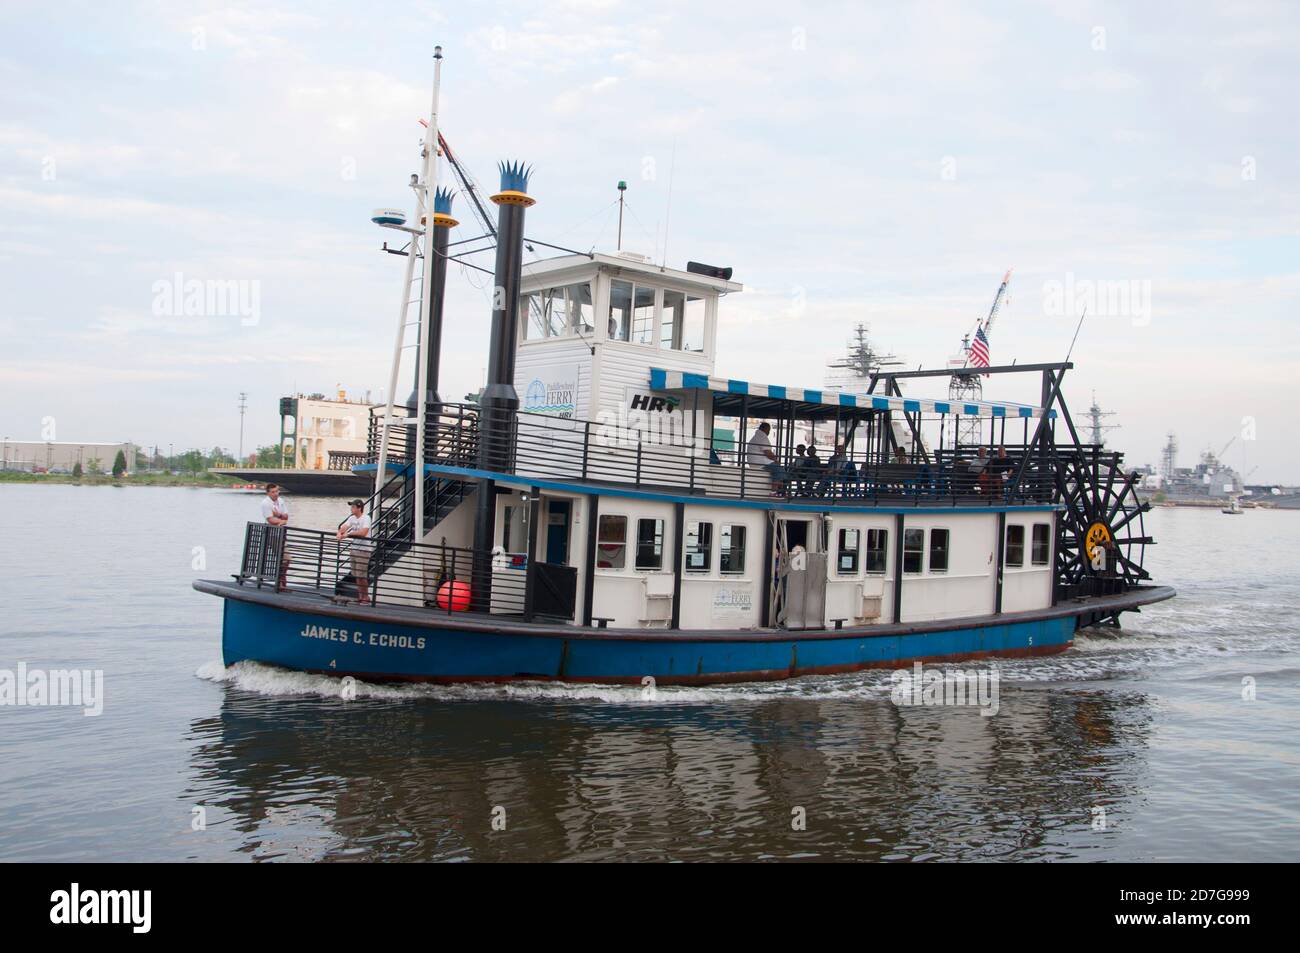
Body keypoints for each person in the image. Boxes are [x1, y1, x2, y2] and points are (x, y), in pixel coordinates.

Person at [337, 499, 373, 605]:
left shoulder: (366, 518)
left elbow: (363, 532)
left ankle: (366, 597)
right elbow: (344, 527)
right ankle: (360, 596)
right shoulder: (351, 518)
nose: (351, 509)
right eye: (351, 506)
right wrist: (339, 532)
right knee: (356, 575)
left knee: (362, 575)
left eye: (353, 507)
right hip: (354, 549)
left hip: (363, 550)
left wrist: (348, 535)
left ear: (359, 508)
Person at [260, 483, 291, 591]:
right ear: (268, 493)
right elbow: (270, 520)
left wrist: (278, 515)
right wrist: (281, 519)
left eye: (277, 491)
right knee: (284, 558)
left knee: (285, 559)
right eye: (273, 492)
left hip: (281, 534)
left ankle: (281, 582)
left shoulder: (280, 501)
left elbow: (286, 516)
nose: (276, 494)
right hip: (273, 534)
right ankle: (281, 583)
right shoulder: (265, 503)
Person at [745, 422, 785, 494]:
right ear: (765, 429)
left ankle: (779, 490)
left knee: (779, 470)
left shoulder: (756, 437)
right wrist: (776, 460)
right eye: (768, 430)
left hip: (755, 462)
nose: (769, 432)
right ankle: (774, 491)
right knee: (779, 470)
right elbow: (768, 453)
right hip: (760, 463)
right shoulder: (762, 437)